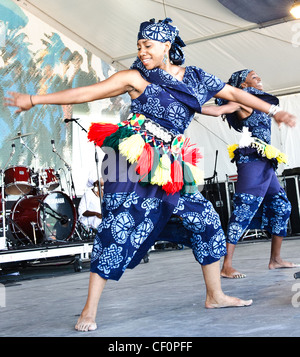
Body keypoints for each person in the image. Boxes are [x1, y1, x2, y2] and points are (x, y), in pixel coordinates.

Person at [4, 19, 296, 332]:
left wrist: (273, 111)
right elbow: (87, 92)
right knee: (118, 228)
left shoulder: (197, 78)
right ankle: (89, 309)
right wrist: (33, 100)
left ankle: (215, 294)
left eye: (149, 46)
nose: (142, 51)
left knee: (207, 221)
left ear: (168, 46)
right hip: (134, 159)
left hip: (171, 163)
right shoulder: (136, 77)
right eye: (139, 46)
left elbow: (234, 93)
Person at [202, 69, 298, 279]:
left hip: (266, 161)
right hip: (252, 160)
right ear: (243, 86)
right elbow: (218, 110)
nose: (259, 78)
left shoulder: (258, 103)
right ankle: (226, 266)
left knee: (282, 207)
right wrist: (188, 105)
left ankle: (275, 259)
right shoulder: (242, 102)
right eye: (254, 77)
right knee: (244, 209)